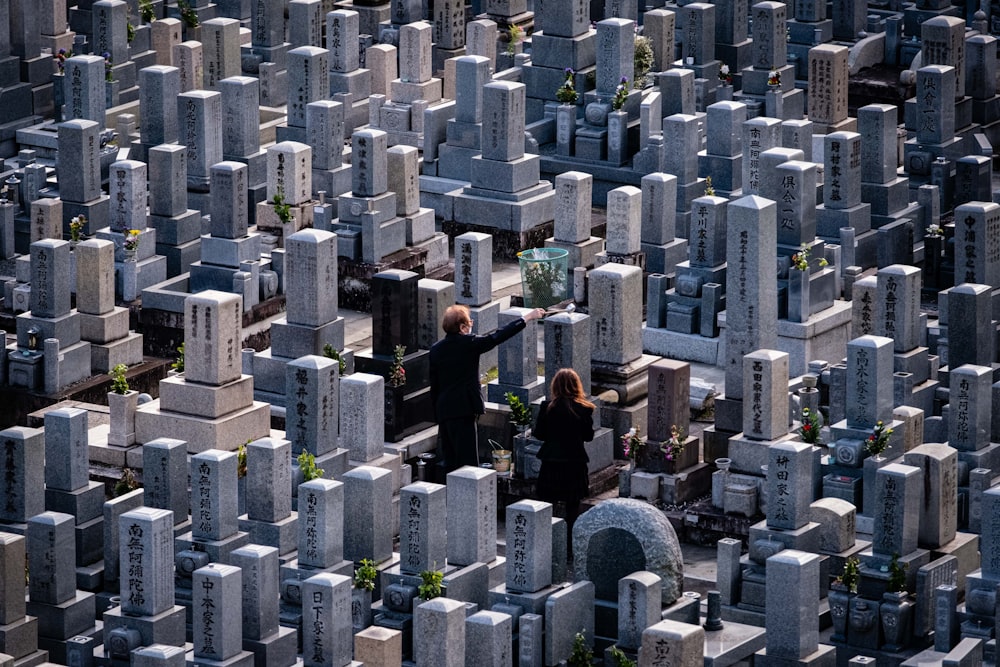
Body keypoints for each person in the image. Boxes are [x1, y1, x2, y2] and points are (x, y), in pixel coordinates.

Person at [430, 304, 545, 472]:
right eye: (470, 322)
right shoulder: (469, 343)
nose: (471, 325)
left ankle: (451, 494)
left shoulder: (436, 349)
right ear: (462, 327)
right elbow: (497, 336)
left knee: (449, 461)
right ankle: (468, 496)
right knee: (468, 463)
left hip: (444, 411)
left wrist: (437, 414)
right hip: (464, 410)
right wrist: (526, 318)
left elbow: (435, 386)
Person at [532, 368, 595, 550]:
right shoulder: (584, 409)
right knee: (572, 507)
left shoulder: (547, 407)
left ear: (555, 386)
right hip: (574, 462)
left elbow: (540, 434)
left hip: (551, 461)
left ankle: (547, 543)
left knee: (547, 505)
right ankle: (569, 547)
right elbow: (588, 436)